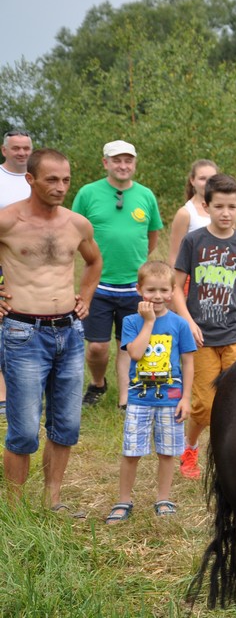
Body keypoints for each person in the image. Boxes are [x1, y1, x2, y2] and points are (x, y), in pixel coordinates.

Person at [0, 148, 102, 510]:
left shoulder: (76, 224)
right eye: (52, 180)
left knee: (66, 425)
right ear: (30, 179)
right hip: (22, 333)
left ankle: (51, 499)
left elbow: (94, 261)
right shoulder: (7, 221)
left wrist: (85, 297)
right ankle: (14, 508)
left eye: (66, 180)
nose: (61, 187)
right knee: (24, 430)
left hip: (71, 333)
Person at [171, 174, 236, 480]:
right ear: (206, 206)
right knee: (206, 406)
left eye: (231, 206)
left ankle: (233, 457)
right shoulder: (194, 242)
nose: (225, 212)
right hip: (202, 337)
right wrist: (188, 321)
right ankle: (190, 448)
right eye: (218, 206)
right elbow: (175, 287)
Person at [72, 140, 163, 409]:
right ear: (105, 163)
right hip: (98, 285)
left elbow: (153, 234)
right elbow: (72, 229)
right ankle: (98, 383)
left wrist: (137, 260)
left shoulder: (145, 195)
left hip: (134, 287)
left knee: (128, 344)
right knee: (97, 347)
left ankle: (125, 399)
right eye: (117, 160)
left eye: (128, 161)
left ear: (134, 164)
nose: (123, 166)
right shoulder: (88, 193)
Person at [105, 261, 195, 524]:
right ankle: (124, 499)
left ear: (172, 291)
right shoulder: (132, 321)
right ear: (139, 289)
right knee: (132, 451)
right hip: (138, 398)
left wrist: (186, 398)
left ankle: (163, 498)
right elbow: (134, 352)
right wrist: (148, 322)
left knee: (167, 451)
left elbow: (189, 361)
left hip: (171, 399)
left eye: (163, 290)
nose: (157, 296)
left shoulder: (179, 324)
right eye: (151, 290)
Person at [0, 129, 34, 417]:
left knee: (22, 320)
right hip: (2, 261)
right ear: (4, 150)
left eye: (26, 148)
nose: (22, 152)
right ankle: (2, 391)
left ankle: (25, 384)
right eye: (16, 148)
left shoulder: (35, 180)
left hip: (31, 265)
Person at [166, 159, 217, 267]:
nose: (208, 183)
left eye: (212, 179)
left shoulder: (225, 211)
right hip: (193, 276)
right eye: (202, 179)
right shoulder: (185, 213)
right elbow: (174, 256)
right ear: (192, 180)